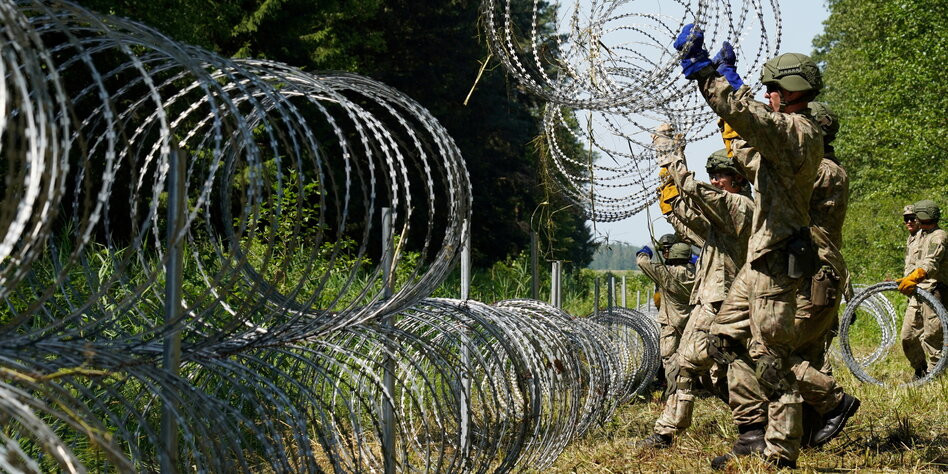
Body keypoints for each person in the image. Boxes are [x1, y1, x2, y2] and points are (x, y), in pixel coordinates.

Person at [675, 23, 824, 468]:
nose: (768, 95)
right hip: (760, 259)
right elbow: (748, 138)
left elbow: (750, 118)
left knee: (771, 356)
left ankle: (780, 454)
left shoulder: (796, 131)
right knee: (723, 338)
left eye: (771, 88)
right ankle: (752, 431)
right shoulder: (786, 134)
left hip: (777, 260)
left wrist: (707, 75)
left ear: (788, 90)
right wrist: (732, 82)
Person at [633, 138, 753, 449]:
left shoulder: (739, 207)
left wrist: (669, 156)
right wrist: (669, 196)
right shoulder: (724, 218)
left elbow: (695, 192)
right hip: (719, 301)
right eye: (712, 175)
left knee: (684, 365)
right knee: (722, 374)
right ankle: (762, 423)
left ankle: (666, 431)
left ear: (740, 179)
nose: (714, 181)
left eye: (720, 176)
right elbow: (689, 217)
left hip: (720, 303)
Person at [636, 240, 696, 398]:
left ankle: (672, 390)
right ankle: (690, 386)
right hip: (692, 322)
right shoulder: (698, 272)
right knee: (690, 357)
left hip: (670, 322)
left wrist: (648, 248)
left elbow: (642, 262)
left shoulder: (666, 272)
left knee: (670, 359)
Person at [899, 200, 948, 379]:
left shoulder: (939, 236)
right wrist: (905, 280)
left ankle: (937, 376)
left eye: (914, 217)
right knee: (908, 337)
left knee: (933, 337)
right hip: (917, 294)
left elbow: (931, 263)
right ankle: (920, 371)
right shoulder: (918, 236)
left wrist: (915, 276)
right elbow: (913, 263)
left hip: (934, 293)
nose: (911, 221)